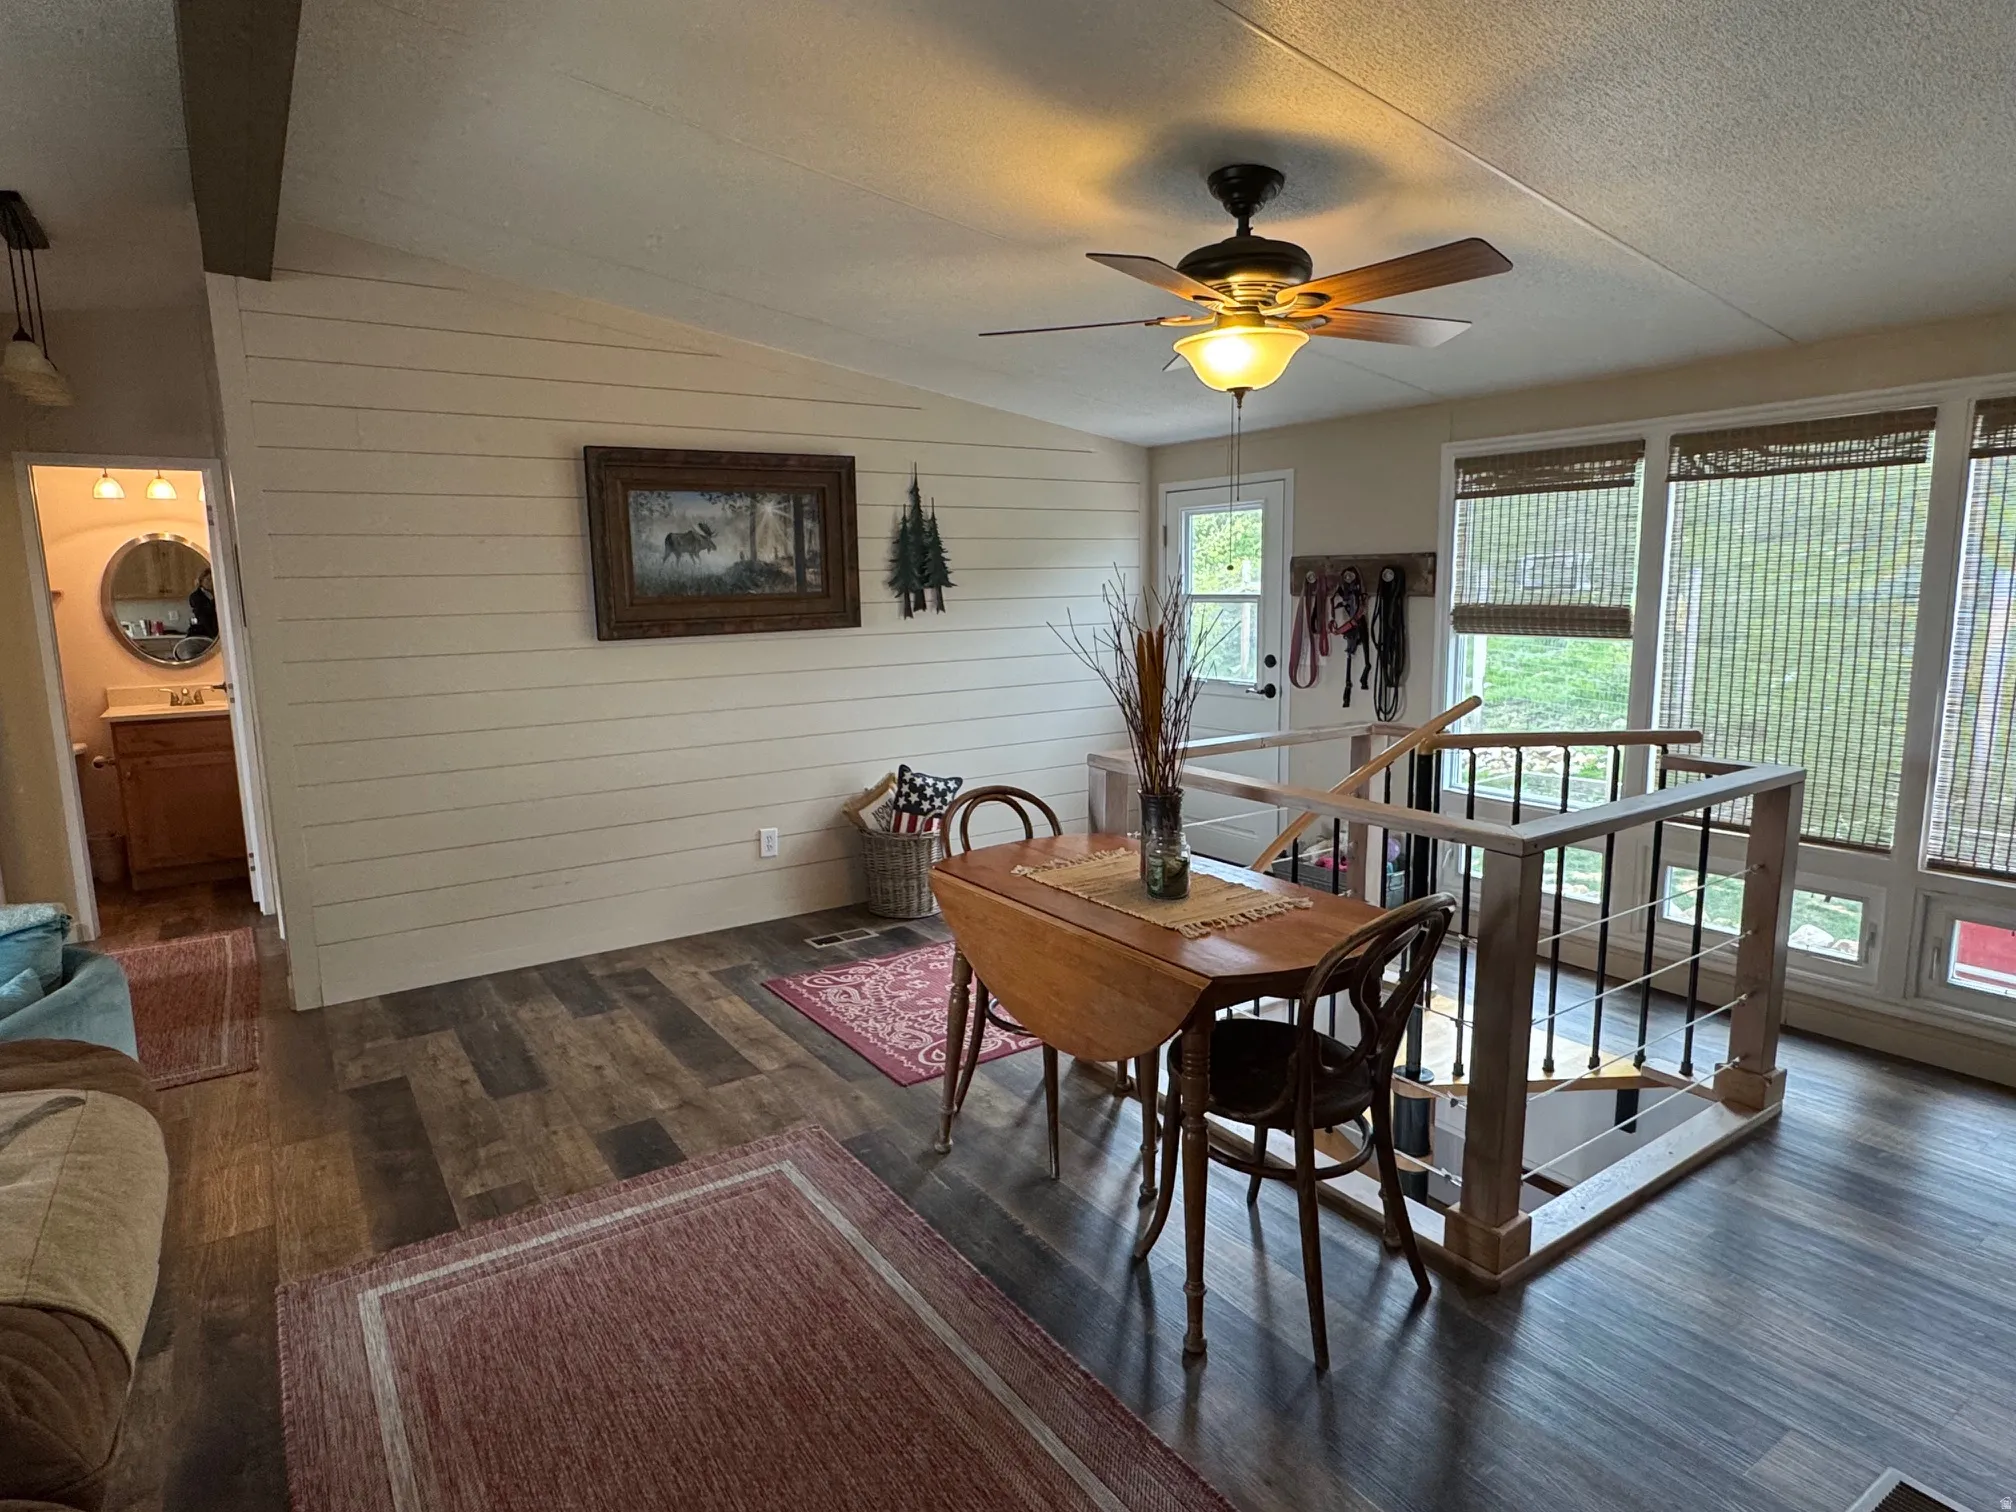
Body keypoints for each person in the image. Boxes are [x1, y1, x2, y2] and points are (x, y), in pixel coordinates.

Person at [188, 568, 219, 639]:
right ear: (201, 581)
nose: (211, 582)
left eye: (212, 579)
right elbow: (202, 616)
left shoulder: (217, 594)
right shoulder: (195, 596)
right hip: (205, 632)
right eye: (208, 579)